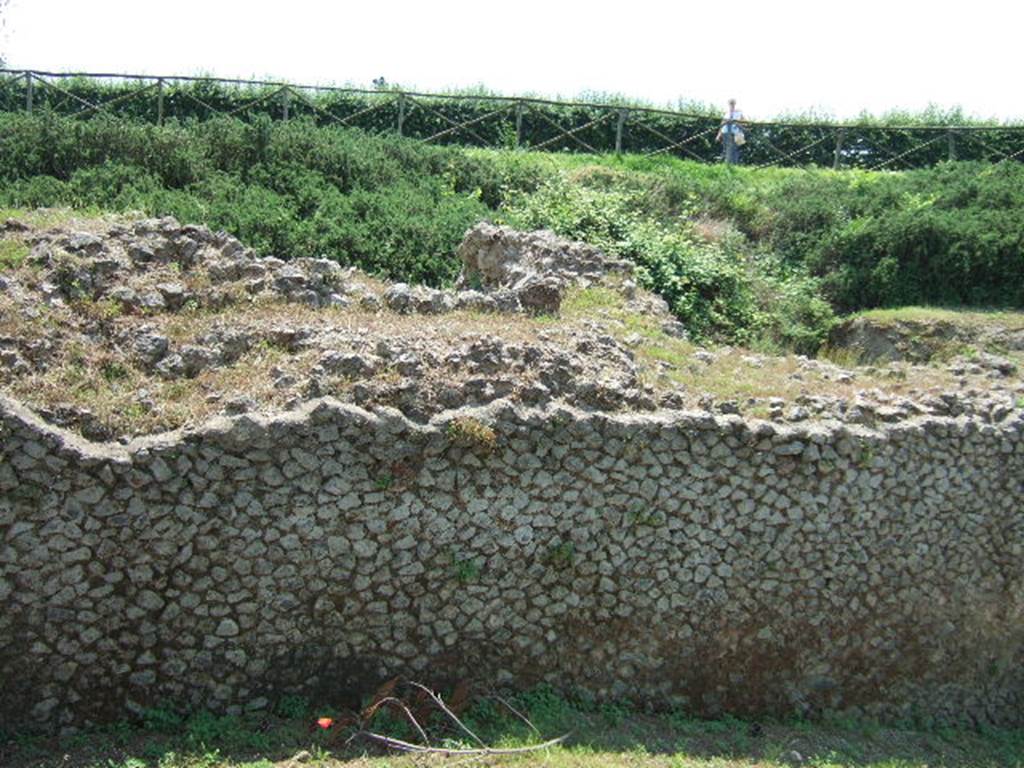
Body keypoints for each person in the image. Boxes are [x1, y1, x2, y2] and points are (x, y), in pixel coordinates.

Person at [715, 98, 745, 164]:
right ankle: (727, 164)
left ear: (735, 104)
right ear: (728, 104)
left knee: (734, 149)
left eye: (733, 103)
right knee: (726, 148)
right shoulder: (726, 113)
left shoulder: (739, 113)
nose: (732, 104)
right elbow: (722, 124)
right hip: (725, 132)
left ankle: (733, 164)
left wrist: (738, 124)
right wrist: (718, 135)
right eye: (730, 103)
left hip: (735, 133)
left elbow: (744, 122)